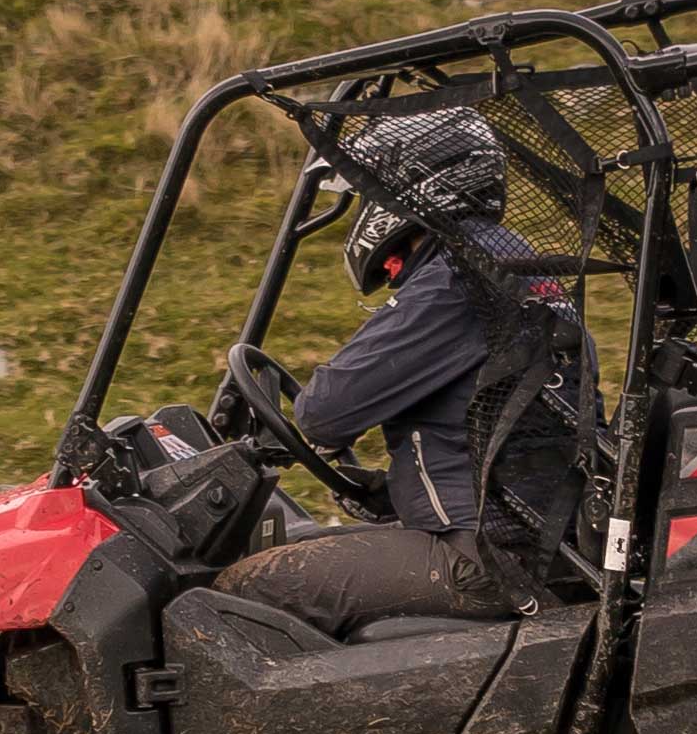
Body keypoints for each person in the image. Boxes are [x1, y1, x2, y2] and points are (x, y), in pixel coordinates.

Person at [214, 107, 528, 637]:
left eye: (375, 195)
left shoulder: (457, 282)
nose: (370, 209)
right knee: (301, 544)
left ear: (420, 194)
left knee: (239, 592)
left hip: (483, 556)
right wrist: (388, 490)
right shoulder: (512, 266)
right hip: (519, 534)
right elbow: (487, 426)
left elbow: (324, 412)